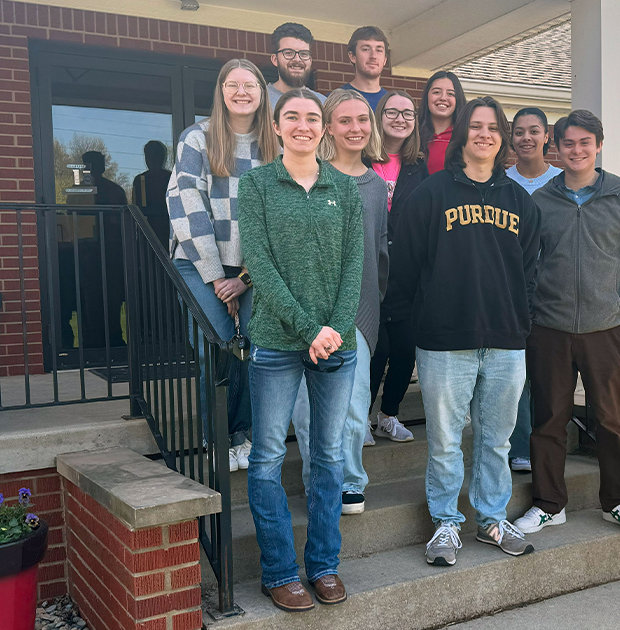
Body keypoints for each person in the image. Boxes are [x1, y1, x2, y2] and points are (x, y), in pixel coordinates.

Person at [389, 96, 540, 567]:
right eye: (475, 126)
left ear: (503, 138)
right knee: (446, 440)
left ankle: (492, 518)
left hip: (504, 342)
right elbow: (406, 268)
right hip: (443, 342)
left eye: (493, 127)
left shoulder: (520, 201)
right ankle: (447, 523)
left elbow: (530, 271)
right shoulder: (430, 195)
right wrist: (420, 322)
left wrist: (520, 321)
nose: (484, 134)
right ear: (461, 136)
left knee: (496, 439)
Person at [239, 88, 364, 612]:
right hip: (276, 342)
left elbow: (355, 264)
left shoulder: (345, 188)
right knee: (267, 458)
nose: (303, 126)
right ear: (276, 125)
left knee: (329, 458)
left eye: (313, 118)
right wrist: (308, 327)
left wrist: (334, 327)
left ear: (326, 128)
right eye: (293, 117)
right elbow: (259, 265)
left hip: (335, 344)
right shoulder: (257, 185)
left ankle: (324, 565)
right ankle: (279, 571)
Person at [512, 110, 620, 538]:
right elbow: (525, 265)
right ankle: (548, 504)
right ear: (555, 148)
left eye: (584, 143)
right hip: (550, 329)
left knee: (611, 422)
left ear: (598, 145)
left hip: (607, 330)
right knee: (548, 421)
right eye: (568, 144)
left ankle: (617, 502)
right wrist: (529, 316)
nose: (576, 151)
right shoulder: (541, 200)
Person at [168, 59, 278, 473]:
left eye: (250, 85)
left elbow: (277, 215)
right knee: (214, 348)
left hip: (257, 268)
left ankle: (246, 437)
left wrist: (246, 278)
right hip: (200, 265)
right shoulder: (197, 138)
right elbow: (185, 204)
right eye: (232, 84)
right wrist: (218, 276)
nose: (242, 92)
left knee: (259, 346)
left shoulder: (276, 144)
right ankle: (214, 436)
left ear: (262, 92)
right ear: (221, 91)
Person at [291, 88, 389, 515]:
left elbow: (380, 250)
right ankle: (319, 480)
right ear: (328, 126)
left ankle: (350, 480)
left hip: (358, 312)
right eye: (345, 120)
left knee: (352, 405)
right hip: (306, 310)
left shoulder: (376, 186)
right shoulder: (308, 175)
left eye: (363, 120)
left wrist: (371, 303)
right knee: (308, 408)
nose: (355, 128)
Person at [504, 107, 563, 474]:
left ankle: (549, 445)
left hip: (554, 289)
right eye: (519, 131)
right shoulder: (501, 181)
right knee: (518, 372)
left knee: (548, 374)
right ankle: (521, 446)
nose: (526, 137)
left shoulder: (561, 180)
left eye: (534, 131)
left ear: (546, 138)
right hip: (511, 289)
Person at [368, 90, 426, 444]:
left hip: (407, 271)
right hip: (368, 269)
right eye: (392, 111)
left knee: (406, 348)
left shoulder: (418, 166)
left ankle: (388, 415)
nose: (400, 118)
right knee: (378, 349)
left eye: (408, 113)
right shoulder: (362, 158)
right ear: (379, 116)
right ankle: (361, 418)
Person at [267, 22, 326, 108]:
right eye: (289, 53)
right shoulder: (259, 100)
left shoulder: (323, 104)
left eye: (304, 54)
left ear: (310, 60)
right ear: (275, 60)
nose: (297, 59)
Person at [417, 71, 465, 175]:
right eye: (436, 92)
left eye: (450, 94)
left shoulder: (465, 137)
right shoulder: (413, 134)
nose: (443, 98)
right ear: (427, 96)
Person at [131, 140, 172, 244]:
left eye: (156, 155)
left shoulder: (172, 179)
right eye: (149, 156)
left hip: (168, 232)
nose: (152, 160)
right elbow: (136, 210)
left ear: (163, 157)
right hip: (146, 233)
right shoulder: (140, 180)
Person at [340, 26, 388, 110]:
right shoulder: (335, 100)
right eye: (366, 49)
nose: (373, 56)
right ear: (353, 57)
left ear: (385, 60)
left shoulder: (392, 103)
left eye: (379, 50)